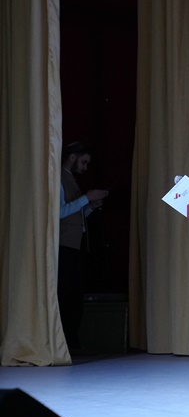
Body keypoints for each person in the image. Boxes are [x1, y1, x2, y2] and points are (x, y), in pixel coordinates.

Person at [58, 142, 110, 353]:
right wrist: (86, 198)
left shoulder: (71, 179)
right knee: (64, 296)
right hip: (63, 245)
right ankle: (65, 343)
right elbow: (59, 213)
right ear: (72, 157)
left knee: (74, 297)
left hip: (74, 246)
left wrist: (89, 207)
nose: (85, 167)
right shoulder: (59, 179)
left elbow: (74, 216)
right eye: (84, 162)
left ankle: (72, 342)